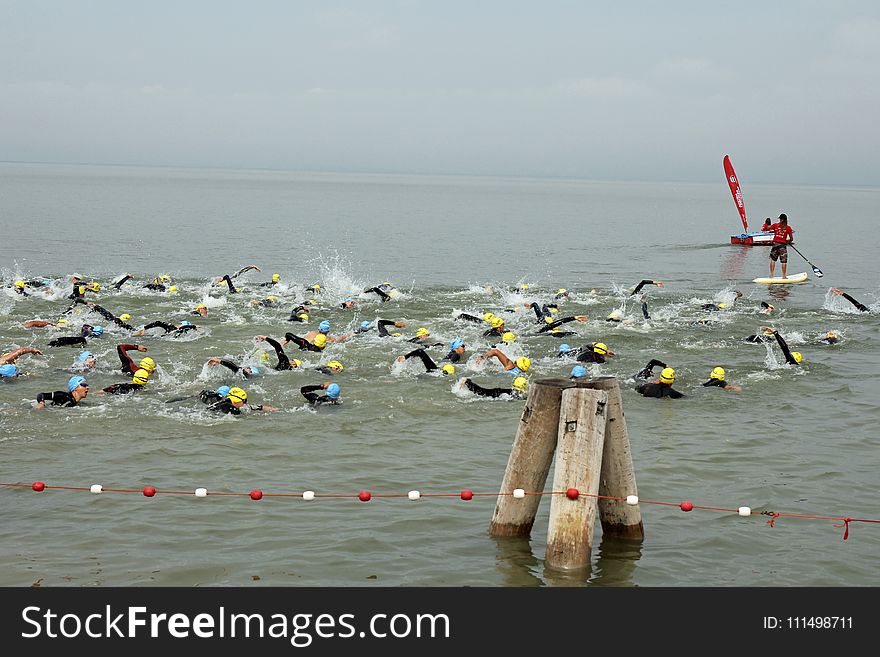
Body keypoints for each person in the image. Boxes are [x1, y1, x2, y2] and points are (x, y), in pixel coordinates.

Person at [208, 386, 277, 414]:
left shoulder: (231, 403)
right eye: (244, 402)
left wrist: (268, 408)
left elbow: (253, 407)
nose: (244, 404)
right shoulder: (226, 406)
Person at [768, 213, 794, 279]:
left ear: (780, 219)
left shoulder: (775, 225)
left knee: (773, 260)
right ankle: (784, 276)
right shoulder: (788, 228)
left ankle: (771, 275)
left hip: (775, 245)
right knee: (783, 261)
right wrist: (788, 241)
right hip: (782, 246)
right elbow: (791, 239)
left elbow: (768, 228)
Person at [459, 376, 527, 399]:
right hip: (497, 393)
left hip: (498, 391)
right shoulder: (517, 395)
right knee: (482, 392)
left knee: (482, 391)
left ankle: (468, 382)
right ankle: (467, 381)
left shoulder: (513, 392)